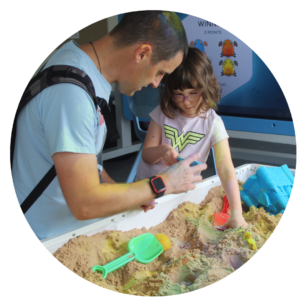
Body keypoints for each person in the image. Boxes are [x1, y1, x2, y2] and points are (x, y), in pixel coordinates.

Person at [11, 10, 207, 241]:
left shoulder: (78, 63)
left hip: (71, 226)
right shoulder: (72, 95)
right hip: (51, 236)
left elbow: (87, 162)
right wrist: (162, 183)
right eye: (160, 72)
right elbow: (84, 202)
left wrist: (132, 195)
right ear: (143, 53)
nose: (156, 84)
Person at [135, 46, 248, 229]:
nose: (185, 101)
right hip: (149, 190)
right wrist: (163, 150)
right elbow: (147, 155)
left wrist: (236, 212)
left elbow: (226, 168)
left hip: (181, 194)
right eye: (178, 94)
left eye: (192, 93)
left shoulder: (212, 123)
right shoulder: (163, 113)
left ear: (206, 86)